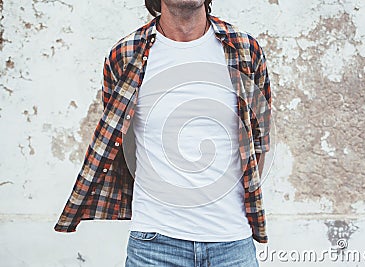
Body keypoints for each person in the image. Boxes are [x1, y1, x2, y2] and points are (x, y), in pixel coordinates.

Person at [54, 0, 272, 266]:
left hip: (232, 243)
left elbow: (259, 143)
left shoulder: (245, 50)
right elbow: (119, 142)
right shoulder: (125, 55)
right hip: (154, 246)